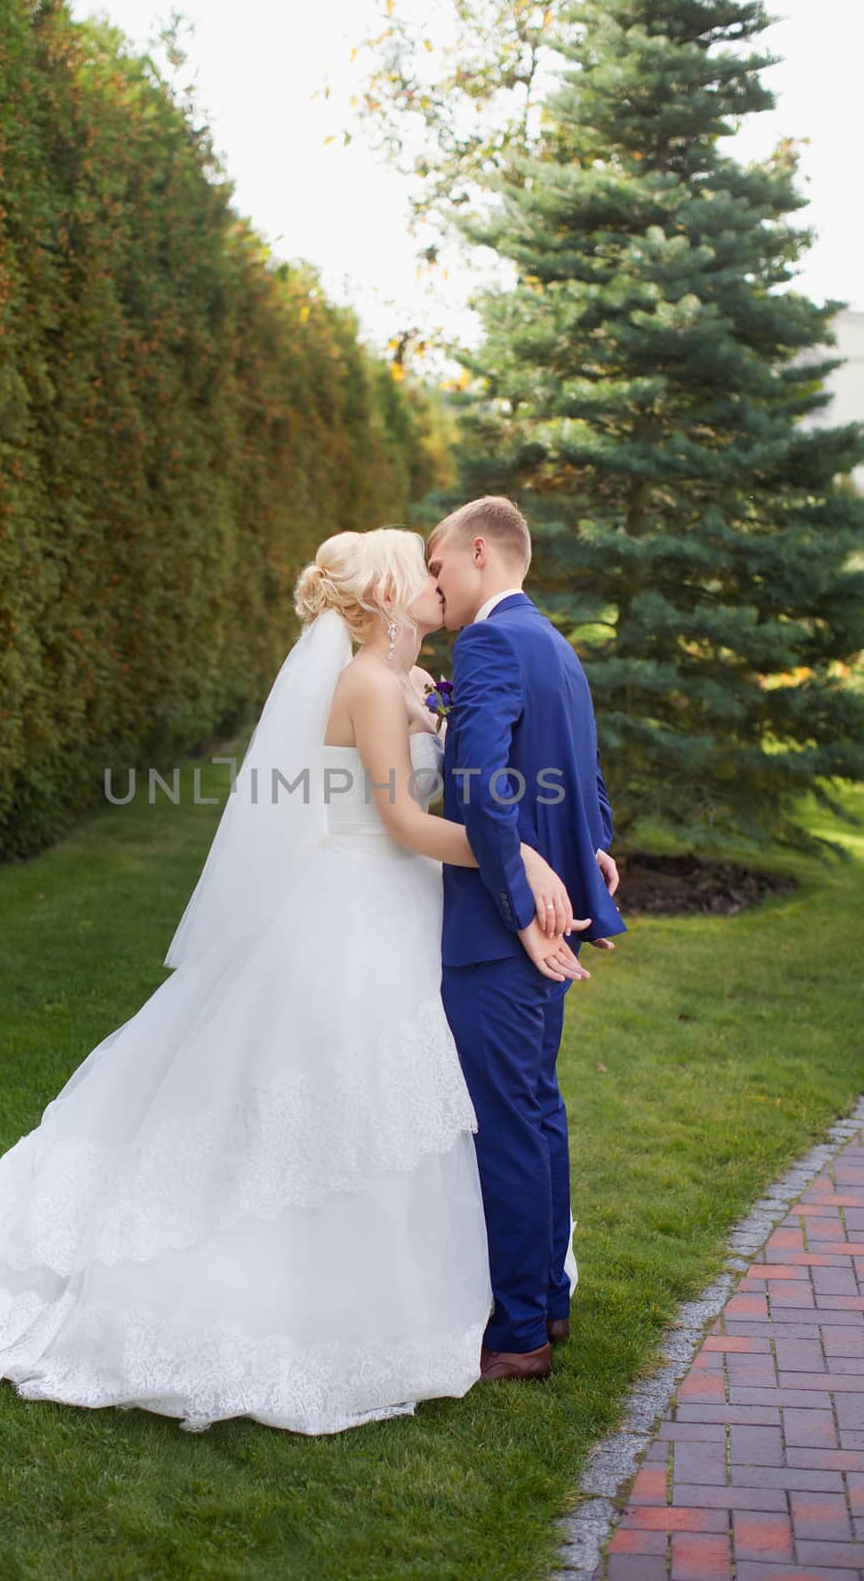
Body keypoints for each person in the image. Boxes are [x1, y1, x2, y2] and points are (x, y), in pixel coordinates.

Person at [0, 527, 582, 1435]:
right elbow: (403, 823)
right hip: (358, 901)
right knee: (343, 1086)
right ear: (380, 598)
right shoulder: (367, 683)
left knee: (397, 1096)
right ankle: (316, 1284)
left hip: (400, 909)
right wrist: (514, 858)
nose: (433, 576)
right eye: (418, 567)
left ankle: (453, 1283)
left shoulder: (404, 684)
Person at [424, 496, 626, 1384]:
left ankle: (515, 1337)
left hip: (502, 934)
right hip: (541, 922)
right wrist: (589, 854)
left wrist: (520, 908)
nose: (434, 583)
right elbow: (581, 779)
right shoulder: (554, 642)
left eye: (438, 566)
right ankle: (547, 1302)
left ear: (479, 551)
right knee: (536, 1116)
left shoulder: (490, 642)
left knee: (507, 1126)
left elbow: (478, 783)